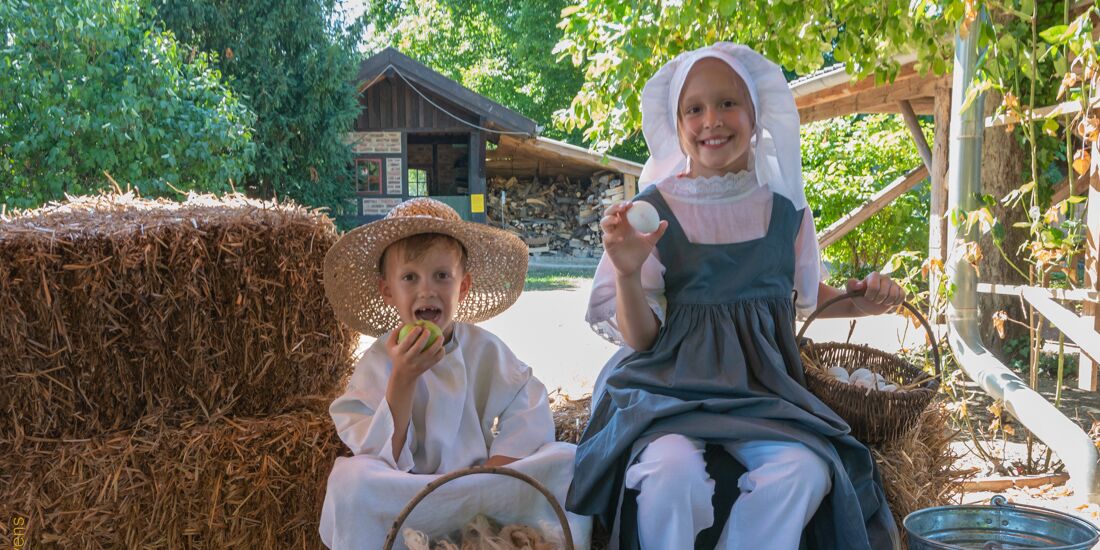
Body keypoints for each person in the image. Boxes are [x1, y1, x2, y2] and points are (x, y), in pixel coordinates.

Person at [565, 43, 906, 550]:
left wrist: (866, 301)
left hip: (762, 387)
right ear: (677, 123)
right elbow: (640, 338)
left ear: (755, 113)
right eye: (694, 108)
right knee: (669, 469)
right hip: (669, 385)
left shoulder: (786, 210)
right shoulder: (652, 211)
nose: (712, 120)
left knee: (805, 468)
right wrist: (628, 273)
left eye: (728, 103)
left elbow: (809, 295)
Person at [319, 198, 591, 549]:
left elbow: (528, 402)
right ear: (388, 291)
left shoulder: (482, 348)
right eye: (409, 277)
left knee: (566, 459)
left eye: (442, 276)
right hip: (408, 494)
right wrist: (402, 377)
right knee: (350, 481)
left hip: (479, 484)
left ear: (462, 287)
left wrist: (496, 469)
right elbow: (376, 453)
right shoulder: (378, 361)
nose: (427, 290)